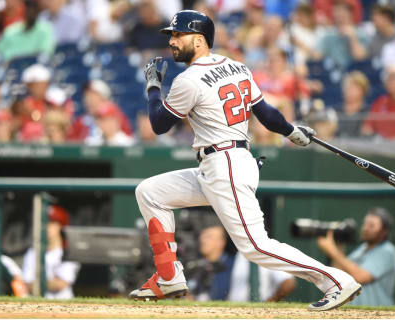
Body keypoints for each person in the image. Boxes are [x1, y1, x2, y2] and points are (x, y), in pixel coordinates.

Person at [129, 10, 362, 311]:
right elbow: (267, 115)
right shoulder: (237, 67)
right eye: (172, 35)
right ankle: (168, 274)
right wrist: (292, 131)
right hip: (225, 162)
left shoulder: (189, 80)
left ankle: (336, 281)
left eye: (178, 35)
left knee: (255, 246)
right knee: (150, 191)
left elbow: (159, 125)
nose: (172, 41)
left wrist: (152, 87)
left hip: (224, 164)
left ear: (199, 40)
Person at [189, 223, 296, 302]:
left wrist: (268, 304)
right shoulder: (238, 256)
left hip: (258, 309)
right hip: (233, 310)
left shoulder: (269, 252)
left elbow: (288, 283)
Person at [317, 207, 395, 306]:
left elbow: (361, 277)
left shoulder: (387, 251)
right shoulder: (362, 249)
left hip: (380, 313)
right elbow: (340, 273)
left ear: (384, 231)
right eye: (365, 224)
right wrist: (338, 246)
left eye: (371, 226)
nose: (366, 228)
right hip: (358, 313)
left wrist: (333, 251)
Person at [22, 205, 80, 299]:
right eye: (44, 222)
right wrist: (48, 283)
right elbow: (26, 284)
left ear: (61, 226)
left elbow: (61, 284)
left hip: (63, 306)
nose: (46, 226)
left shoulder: (68, 252)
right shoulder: (32, 252)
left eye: (51, 222)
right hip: (35, 306)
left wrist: (37, 284)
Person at [315, 0, 368, 69]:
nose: (339, 14)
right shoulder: (328, 34)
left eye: (342, 10)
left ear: (350, 13)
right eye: (336, 10)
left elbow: (360, 58)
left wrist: (353, 38)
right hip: (333, 74)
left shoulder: (361, 33)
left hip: (356, 72)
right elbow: (316, 57)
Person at [337, 71, 369, 138]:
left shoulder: (368, 112)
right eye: (347, 87)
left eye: (354, 87)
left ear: (363, 90)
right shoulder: (336, 111)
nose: (349, 91)